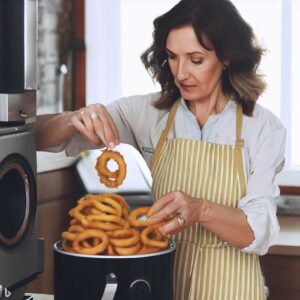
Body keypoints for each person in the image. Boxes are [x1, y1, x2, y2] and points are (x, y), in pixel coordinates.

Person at [34, 0, 286, 299]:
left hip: (233, 287)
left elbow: (258, 231)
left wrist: (201, 209)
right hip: (163, 282)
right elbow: (39, 137)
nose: (180, 73)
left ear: (227, 57)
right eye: (172, 57)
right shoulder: (148, 112)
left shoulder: (262, 126)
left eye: (195, 59)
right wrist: (71, 119)